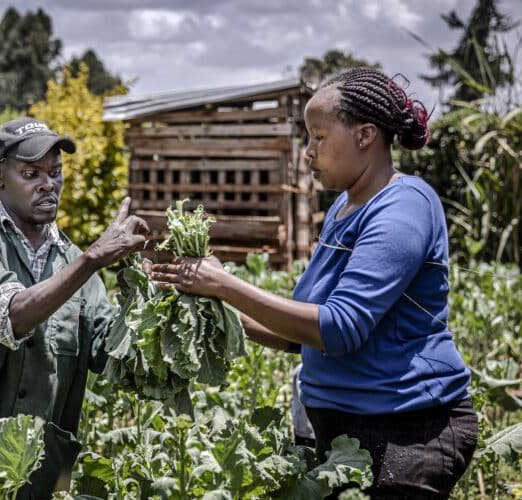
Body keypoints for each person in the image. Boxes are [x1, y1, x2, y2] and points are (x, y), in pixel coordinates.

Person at [147, 67, 477, 498]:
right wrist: (216, 307)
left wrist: (225, 283)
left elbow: (338, 328)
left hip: (408, 432)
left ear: (365, 135)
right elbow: (301, 336)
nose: (307, 152)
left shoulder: (403, 206)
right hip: (347, 430)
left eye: (318, 136)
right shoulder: (344, 206)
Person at [0, 117, 149, 498]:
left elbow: (112, 355)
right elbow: (9, 315)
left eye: (55, 173)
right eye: (31, 173)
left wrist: (148, 295)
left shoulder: (73, 263)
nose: (48, 184)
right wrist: (93, 258)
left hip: (38, 475)